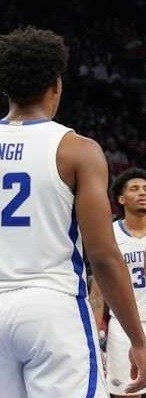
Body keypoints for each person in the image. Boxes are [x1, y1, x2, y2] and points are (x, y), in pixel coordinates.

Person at [0, 26, 146, 398]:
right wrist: (138, 339)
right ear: (55, 85)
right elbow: (104, 256)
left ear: (3, 87)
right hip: (52, 307)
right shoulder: (77, 150)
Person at [89, 167, 146, 397]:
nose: (142, 192)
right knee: (126, 393)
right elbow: (98, 293)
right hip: (124, 327)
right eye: (134, 188)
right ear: (121, 199)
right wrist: (94, 336)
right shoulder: (110, 235)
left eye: (145, 188)